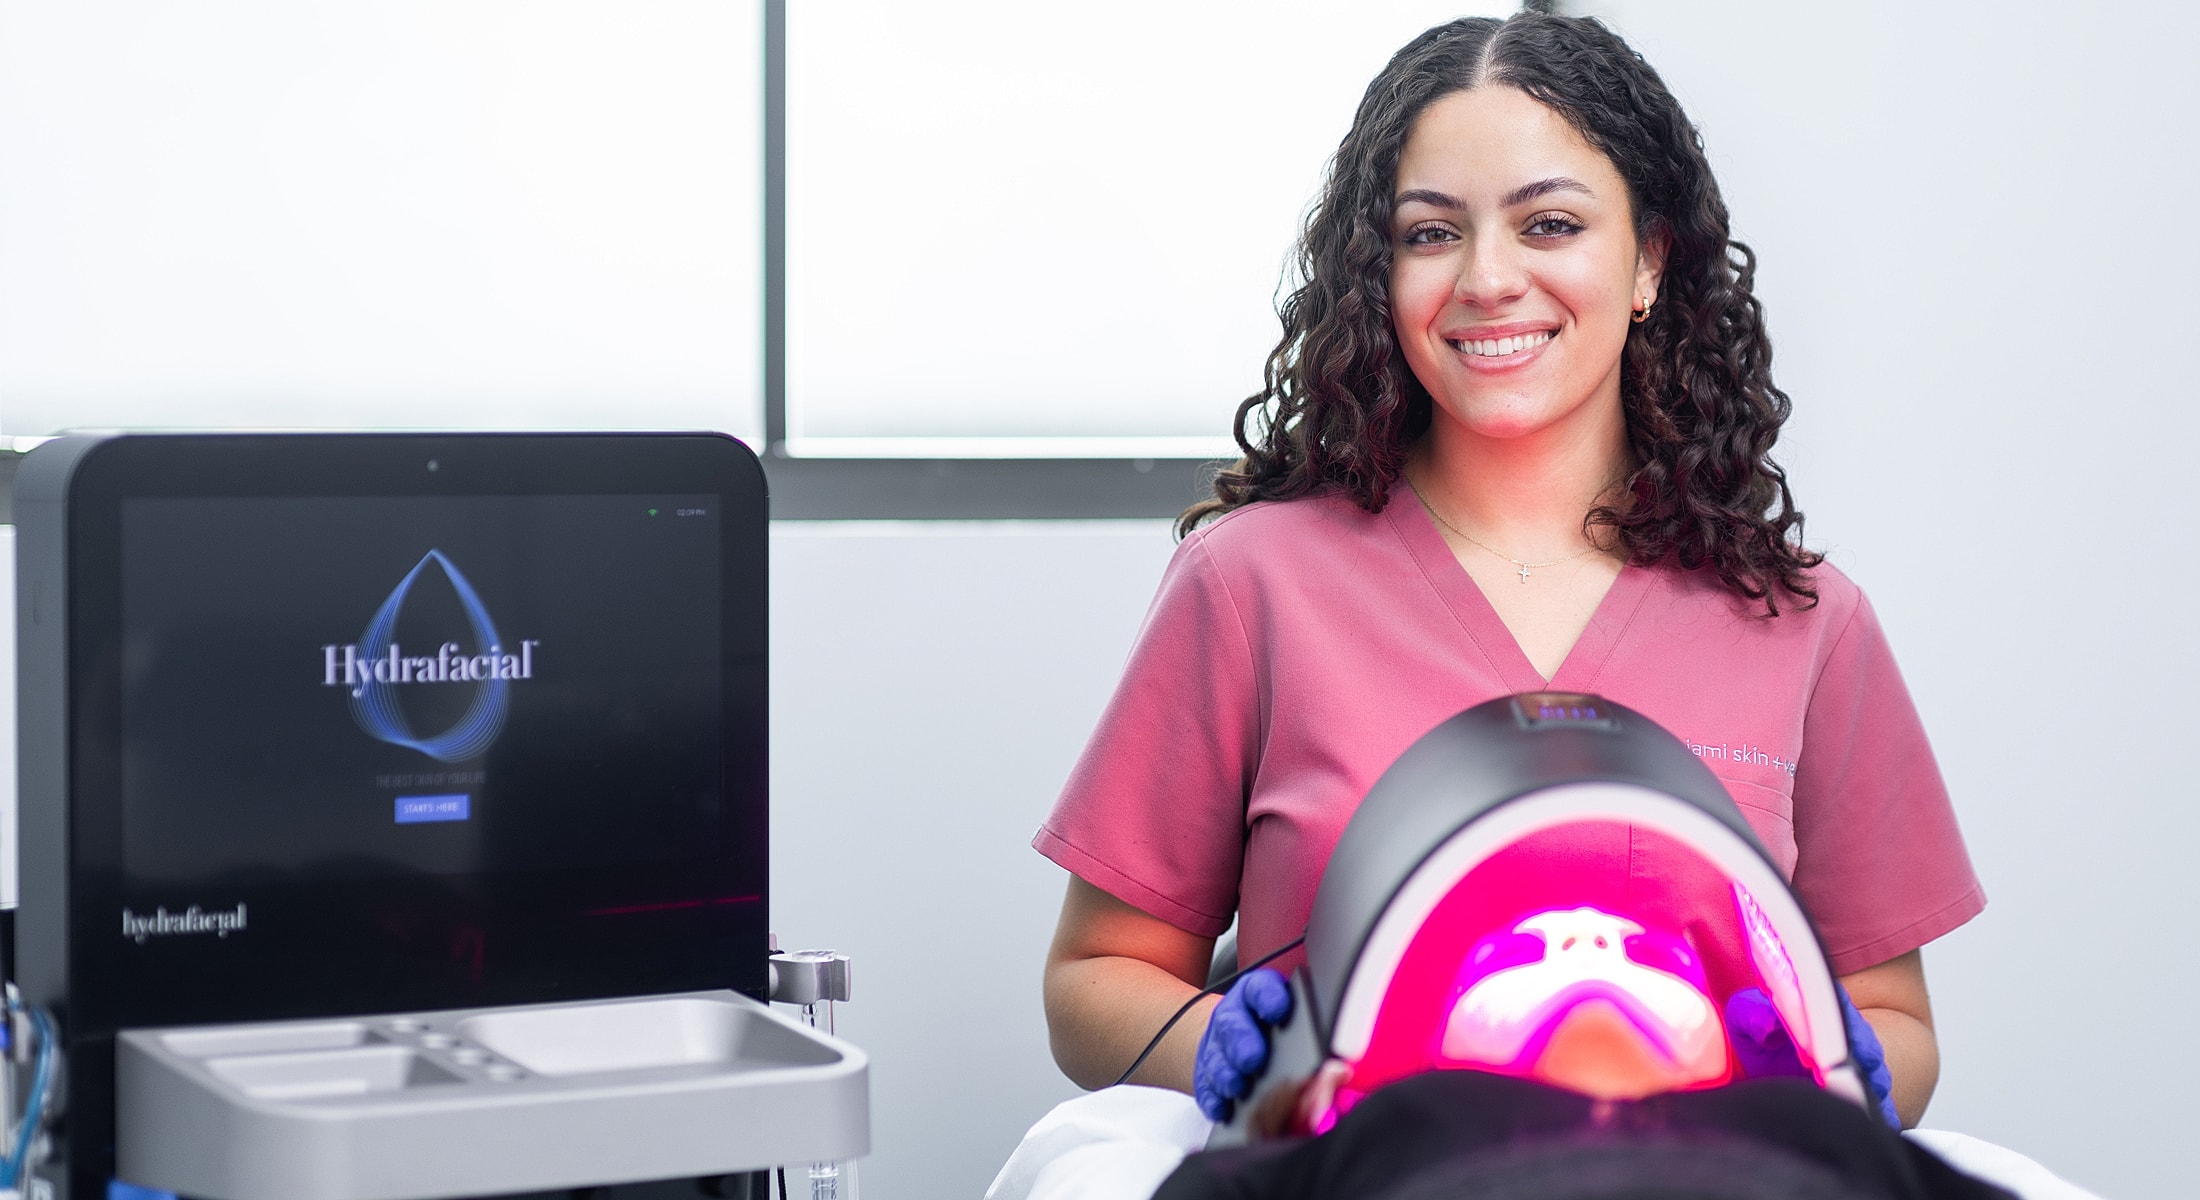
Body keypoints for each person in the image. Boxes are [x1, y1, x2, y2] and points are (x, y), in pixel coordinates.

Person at [1034, 11, 1983, 1132]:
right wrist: (1252, 1055)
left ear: (1648, 258)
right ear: (1376, 275)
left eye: (1549, 224)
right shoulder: (1248, 585)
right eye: (1430, 234)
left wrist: (1827, 1071)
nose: (1488, 279)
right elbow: (1090, 981)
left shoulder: (1806, 621)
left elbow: (1898, 1025)